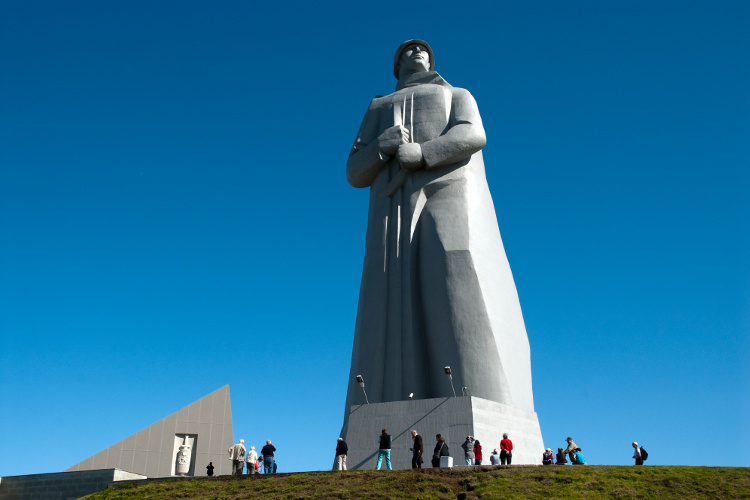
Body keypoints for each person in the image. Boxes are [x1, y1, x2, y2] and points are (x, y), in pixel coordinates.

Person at [341, 39, 537, 434]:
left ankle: (482, 397)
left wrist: (424, 152)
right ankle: (385, 401)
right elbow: (353, 172)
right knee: (387, 296)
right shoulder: (377, 107)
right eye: (406, 50)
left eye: (422, 49)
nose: (416, 51)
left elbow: (473, 134)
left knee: (457, 271)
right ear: (396, 64)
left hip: (451, 191)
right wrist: (383, 146)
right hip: (390, 209)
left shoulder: (457, 94)